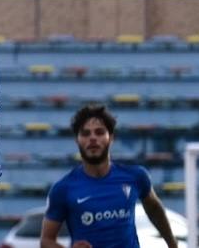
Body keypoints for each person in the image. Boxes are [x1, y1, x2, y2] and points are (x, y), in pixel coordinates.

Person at [41, 104, 179, 248]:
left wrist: (172, 244)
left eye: (99, 132)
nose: (92, 138)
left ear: (111, 137)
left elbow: (154, 209)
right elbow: (46, 241)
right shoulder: (63, 189)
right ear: (77, 140)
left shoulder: (135, 176)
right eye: (86, 133)